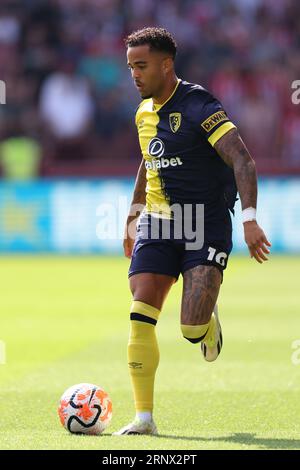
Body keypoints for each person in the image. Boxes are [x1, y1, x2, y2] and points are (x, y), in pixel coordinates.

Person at [113, 27, 271, 436]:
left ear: (167, 64)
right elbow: (149, 163)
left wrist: (250, 217)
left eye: (141, 66)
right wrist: (133, 216)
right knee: (139, 315)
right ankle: (144, 418)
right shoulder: (143, 113)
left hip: (205, 224)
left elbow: (243, 160)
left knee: (189, 329)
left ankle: (207, 325)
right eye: (130, 66)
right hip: (160, 224)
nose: (134, 74)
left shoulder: (200, 104)